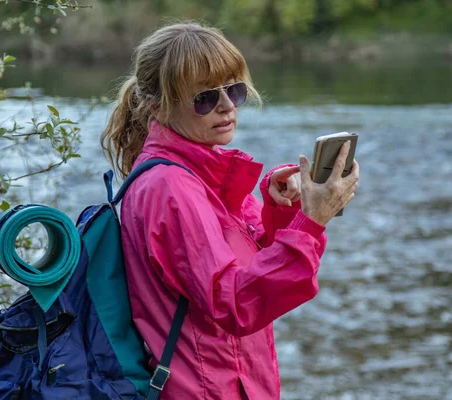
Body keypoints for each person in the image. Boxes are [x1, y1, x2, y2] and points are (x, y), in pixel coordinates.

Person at [100, 22, 359, 400]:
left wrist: (282, 211)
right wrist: (312, 222)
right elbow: (236, 303)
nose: (225, 107)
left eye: (233, 90)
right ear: (158, 105)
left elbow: (256, 271)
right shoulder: (170, 188)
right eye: (204, 98)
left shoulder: (201, 173)